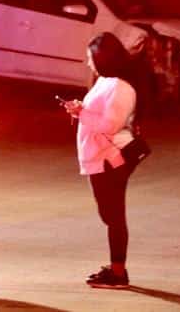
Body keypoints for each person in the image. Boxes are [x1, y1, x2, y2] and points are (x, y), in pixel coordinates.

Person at [62, 32, 139, 289]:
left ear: (103, 58)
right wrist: (80, 109)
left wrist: (82, 112)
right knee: (110, 215)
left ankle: (118, 272)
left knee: (114, 216)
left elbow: (109, 124)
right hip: (98, 159)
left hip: (110, 159)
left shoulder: (120, 87)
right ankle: (116, 268)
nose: (88, 63)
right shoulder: (105, 81)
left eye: (90, 58)